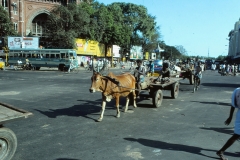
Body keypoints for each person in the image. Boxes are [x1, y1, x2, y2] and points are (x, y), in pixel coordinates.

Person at [216, 88, 240, 160]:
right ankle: (221, 151)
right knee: (237, 135)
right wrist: (230, 117)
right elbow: (233, 105)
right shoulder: (237, 91)